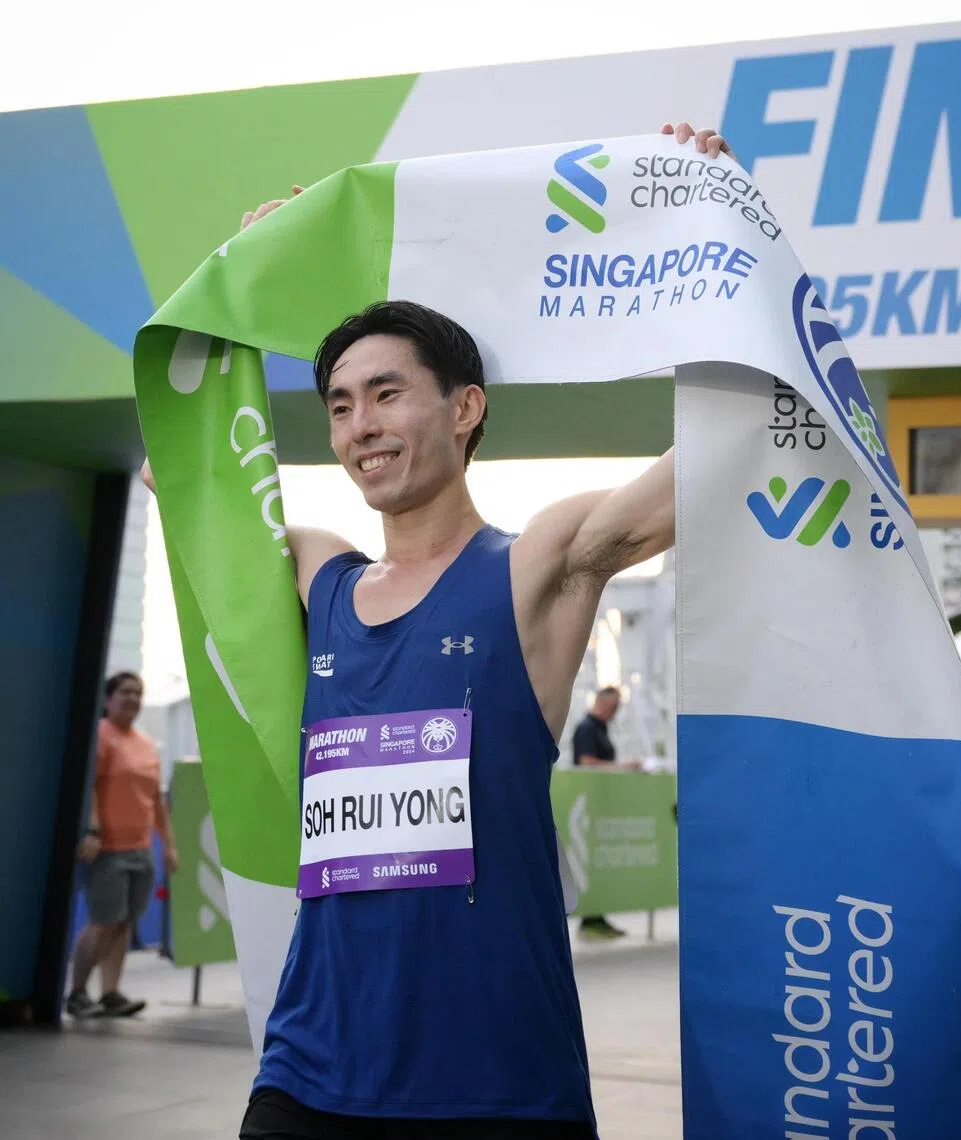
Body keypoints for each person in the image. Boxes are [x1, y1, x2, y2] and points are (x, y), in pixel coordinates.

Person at [144, 121, 731, 1139]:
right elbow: (181, 472)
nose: (360, 426)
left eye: (387, 395)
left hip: (495, 1081)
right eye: (339, 406)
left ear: (464, 410)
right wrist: (252, 279)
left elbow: (719, 458)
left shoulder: (536, 564)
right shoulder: (317, 573)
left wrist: (709, 234)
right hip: (309, 1073)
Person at [66, 672, 178, 1019]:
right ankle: (77, 993)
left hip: (141, 848)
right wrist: (92, 831)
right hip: (107, 849)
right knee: (103, 921)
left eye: (138, 693)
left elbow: (156, 801)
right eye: (125, 692)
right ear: (108, 698)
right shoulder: (100, 736)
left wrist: (169, 845)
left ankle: (110, 993)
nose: (132, 698)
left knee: (125, 922)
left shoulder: (146, 744)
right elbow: (87, 786)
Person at [572, 687, 640, 940]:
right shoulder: (586, 729)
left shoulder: (601, 729)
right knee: (589, 862)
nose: (615, 713)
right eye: (614, 708)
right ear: (603, 704)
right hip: (587, 808)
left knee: (600, 865)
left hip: (600, 807)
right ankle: (590, 919)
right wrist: (622, 767)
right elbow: (585, 762)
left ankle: (598, 917)